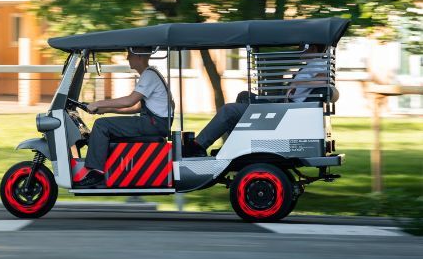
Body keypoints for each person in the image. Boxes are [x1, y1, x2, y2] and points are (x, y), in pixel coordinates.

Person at [184, 44, 329, 157]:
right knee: (243, 95)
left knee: (229, 110)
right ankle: (231, 146)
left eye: (302, 47)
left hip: (287, 113)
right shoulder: (312, 65)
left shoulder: (318, 63)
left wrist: (297, 84)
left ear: (313, 48)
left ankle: (198, 146)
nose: (299, 50)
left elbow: (323, 80)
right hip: (285, 109)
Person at [75, 47, 172, 187]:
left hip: (154, 123)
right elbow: (136, 107)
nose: (127, 58)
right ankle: (109, 169)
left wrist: (98, 103)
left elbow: (129, 101)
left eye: (130, 54)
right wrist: (105, 109)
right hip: (155, 122)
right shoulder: (150, 74)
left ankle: (96, 173)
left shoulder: (149, 75)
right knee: (105, 125)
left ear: (139, 56)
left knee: (102, 125)